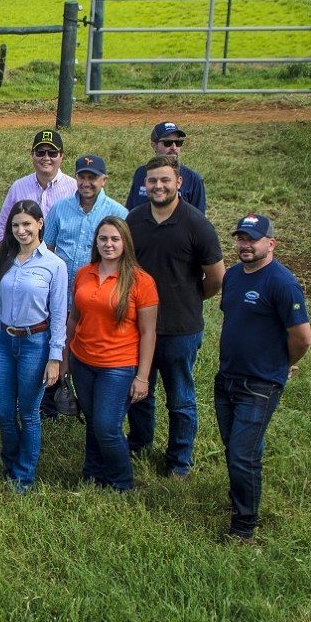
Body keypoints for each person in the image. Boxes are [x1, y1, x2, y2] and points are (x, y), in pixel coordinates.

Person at [125, 155, 224, 477]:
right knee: (140, 392)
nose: (158, 186)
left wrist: (191, 298)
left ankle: (179, 460)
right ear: (145, 185)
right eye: (152, 180)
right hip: (139, 326)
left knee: (180, 398)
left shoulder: (196, 224)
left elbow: (216, 278)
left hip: (181, 328)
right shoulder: (134, 221)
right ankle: (139, 445)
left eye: (165, 180)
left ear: (179, 183)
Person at [215, 213, 311, 542]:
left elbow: (302, 336)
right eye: (241, 238)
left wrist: (283, 364)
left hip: (260, 384)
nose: (245, 244)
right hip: (227, 378)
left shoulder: (282, 282)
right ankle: (242, 497)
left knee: (243, 453)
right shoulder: (233, 277)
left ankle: (244, 529)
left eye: (252, 239)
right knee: (235, 449)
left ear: (270, 243)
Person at [0, 200, 67, 492]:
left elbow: (59, 315)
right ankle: (10, 462)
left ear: (40, 224)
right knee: (3, 411)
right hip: (3, 342)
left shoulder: (54, 265)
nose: (21, 230)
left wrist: (55, 358)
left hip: (35, 344)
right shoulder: (5, 259)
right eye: (15, 225)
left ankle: (24, 475)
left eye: (27, 224)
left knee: (28, 411)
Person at [66, 217, 157, 492]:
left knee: (107, 427)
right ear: (96, 242)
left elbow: (149, 333)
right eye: (103, 238)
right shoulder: (85, 273)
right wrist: (65, 356)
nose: (108, 244)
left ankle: (121, 482)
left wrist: (142, 377)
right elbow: (74, 318)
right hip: (82, 361)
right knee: (93, 422)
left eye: (115, 239)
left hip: (118, 366)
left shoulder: (142, 281)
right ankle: (93, 474)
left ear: (125, 243)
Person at [44, 154, 127, 305]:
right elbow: (47, 249)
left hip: (99, 299)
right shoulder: (59, 208)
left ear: (104, 180)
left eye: (92, 178)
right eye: (82, 177)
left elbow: (125, 258)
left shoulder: (119, 213)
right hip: (60, 297)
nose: (86, 183)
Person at [0, 130, 76, 237]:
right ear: (32, 154)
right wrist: (12, 252)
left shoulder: (74, 189)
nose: (46, 158)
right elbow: (2, 227)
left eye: (52, 153)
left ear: (61, 155)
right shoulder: (18, 187)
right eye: (40, 152)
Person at [127, 120, 207, 214]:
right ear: (154, 145)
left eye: (178, 143)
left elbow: (199, 218)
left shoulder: (193, 179)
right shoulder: (141, 173)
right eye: (167, 143)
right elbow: (130, 210)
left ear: (179, 181)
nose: (173, 147)